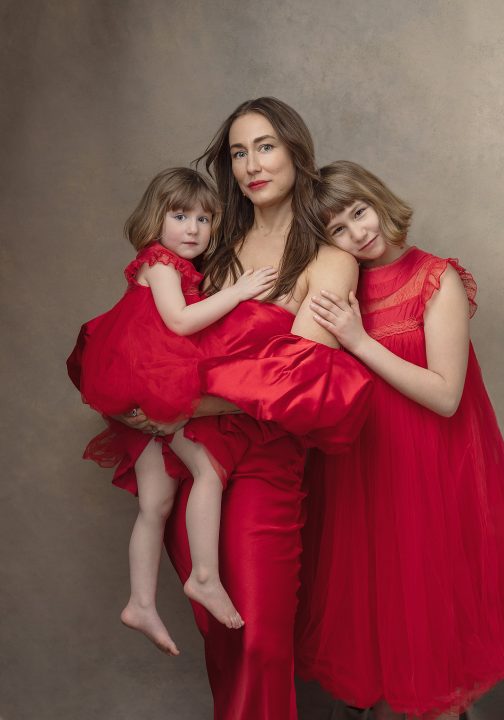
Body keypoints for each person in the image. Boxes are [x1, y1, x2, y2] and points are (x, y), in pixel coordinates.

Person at [68, 98, 372, 720]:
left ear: (295, 151)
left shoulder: (329, 256)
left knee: (258, 638)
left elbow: (296, 377)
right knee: (223, 637)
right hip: (190, 455)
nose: (251, 164)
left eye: (265, 146)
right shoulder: (212, 241)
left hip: (262, 457)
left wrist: (174, 407)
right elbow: (154, 338)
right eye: (238, 152)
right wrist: (138, 404)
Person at [296, 160, 504, 720]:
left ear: (377, 199)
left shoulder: (439, 278)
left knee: (432, 616)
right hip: (362, 473)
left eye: (358, 213)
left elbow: (445, 396)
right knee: (373, 614)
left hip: (432, 473)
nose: (357, 233)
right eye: (337, 229)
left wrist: (358, 341)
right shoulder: (340, 286)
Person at [78, 167, 279, 653]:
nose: (193, 229)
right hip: (149, 380)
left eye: (204, 220)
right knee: (208, 473)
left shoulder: (178, 266)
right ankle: (204, 577)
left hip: (139, 382)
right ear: (156, 218)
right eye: (180, 215)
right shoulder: (161, 262)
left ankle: (140, 603)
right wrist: (239, 292)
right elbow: (180, 321)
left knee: (155, 503)